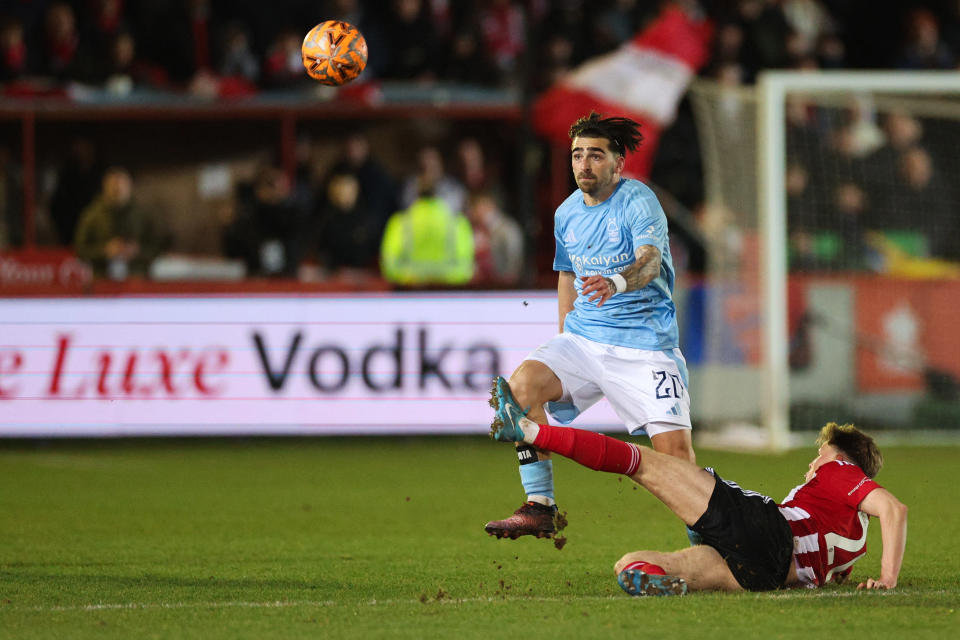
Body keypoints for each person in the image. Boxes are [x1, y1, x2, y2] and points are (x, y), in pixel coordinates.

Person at [489, 376, 908, 596]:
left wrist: (888, 579)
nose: (812, 464)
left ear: (840, 458)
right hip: (766, 574)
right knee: (631, 563)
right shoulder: (854, 542)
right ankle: (657, 578)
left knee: (644, 463)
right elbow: (836, 566)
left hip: (768, 531)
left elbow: (894, 509)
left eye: (819, 454)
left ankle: (527, 429)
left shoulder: (838, 472)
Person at [483, 112, 697, 541]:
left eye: (595, 156)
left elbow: (651, 262)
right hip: (584, 341)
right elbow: (567, 275)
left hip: (645, 348)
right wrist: (565, 336)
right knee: (521, 388)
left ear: (618, 164)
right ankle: (539, 505)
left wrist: (616, 282)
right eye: (577, 155)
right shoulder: (566, 213)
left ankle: (713, 541)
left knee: (676, 462)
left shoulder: (639, 202)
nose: (583, 164)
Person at [379, 179, 474, 286]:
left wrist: (410, 277)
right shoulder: (457, 223)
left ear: (415, 196)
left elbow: (389, 264)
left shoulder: (400, 223)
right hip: (449, 291)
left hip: (410, 290)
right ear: (438, 195)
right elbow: (466, 266)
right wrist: (446, 277)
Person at [74, 167, 164, 279]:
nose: (118, 189)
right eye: (113, 185)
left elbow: (158, 246)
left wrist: (137, 251)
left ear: (129, 186)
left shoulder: (143, 214)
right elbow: (80, 249)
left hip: (137, 279)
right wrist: (104, 250)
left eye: (122, 185)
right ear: (105, 186)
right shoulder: (92, 215)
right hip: (103, 280)